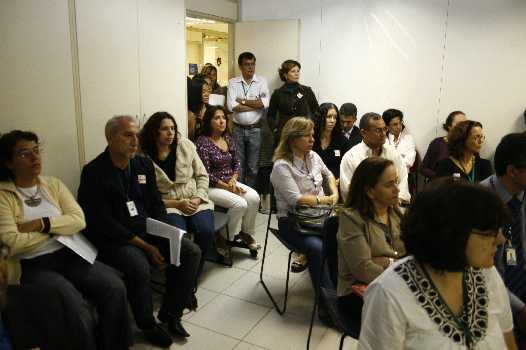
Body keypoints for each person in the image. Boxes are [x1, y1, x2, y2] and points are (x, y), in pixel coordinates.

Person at [0, 130, 132, 350]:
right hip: (33, 265)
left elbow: (79, 220)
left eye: (36, 151)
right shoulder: (3, 195)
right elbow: (12, 242)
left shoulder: (53, 184)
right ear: (8, 162)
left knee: (114, 286)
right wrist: (58, 228)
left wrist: (42, 224)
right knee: (73, 305)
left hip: (70, 253)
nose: (35, 158)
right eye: (24, 154)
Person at [78, 116, 201, 348]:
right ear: (110, 138)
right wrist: (145, 245)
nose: (135, 141)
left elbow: (155, 204)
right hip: (115, 239)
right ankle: (147, 323)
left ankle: (170, 313)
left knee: (190, 251)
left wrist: (168, 232)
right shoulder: (94, 172)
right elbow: (101, 222)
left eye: (136, 135)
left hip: (146, 228)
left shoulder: (142, 165)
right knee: (138, 265)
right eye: (127, 135)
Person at [359, 180, 517, 350]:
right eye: (489, 233)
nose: (500, 239)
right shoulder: (389, 293)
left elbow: (509, 342)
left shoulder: (486, 274)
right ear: (452, 235)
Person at [139, 111, 214, 277]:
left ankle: (191, 281)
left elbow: (202, 175)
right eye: (165, 129)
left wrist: (197, 198)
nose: (170, 133)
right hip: (168, 205)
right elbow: (146, 197)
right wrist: (177, 204)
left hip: (195, 199)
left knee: (206, 231)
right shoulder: (142, 157)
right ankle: (178, 280)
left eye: (173, 128)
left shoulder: (185, 145)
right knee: (179, 240)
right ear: (154, 132)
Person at [270, 117, 338, 296]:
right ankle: (328, 303)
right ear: (292, 139)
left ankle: (341, 291)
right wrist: (327, 200)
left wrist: (335, 193)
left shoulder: (313, 156)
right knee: (318, 248)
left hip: (320, 216)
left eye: (313, 135)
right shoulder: (281, 166)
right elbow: (296, 200)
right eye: (307, 136)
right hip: (294, 222)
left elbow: (329, 174)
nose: (312, 139)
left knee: (344, 237)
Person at [337, 157, 405, 316]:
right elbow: (363, 269)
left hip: (391, 287)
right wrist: (401, 271)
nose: (397, 189)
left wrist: (384, 261)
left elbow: (414, 254)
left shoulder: (396, 212)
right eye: (389, 185)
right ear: (370, 191)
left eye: (396, 182)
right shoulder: (351, 218)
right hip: (356, 294)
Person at [195, 105, 260, 254]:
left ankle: (245, 232)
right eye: (217, 118)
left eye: (224, 117)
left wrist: (233, 179)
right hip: (211, 186)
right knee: (240, 204)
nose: (221, 121)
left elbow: (237, 162)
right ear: (208, 121)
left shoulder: (228, 138)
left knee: (254, 198)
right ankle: (223, 238)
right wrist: (226, 186)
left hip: (230, 182)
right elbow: (206, 174)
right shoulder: (202, 143)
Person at [481, 133, 526, 336]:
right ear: (512, 171)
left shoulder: (521, 193)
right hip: (491, 303)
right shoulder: (478, 202)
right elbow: (482, 276)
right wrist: (519, 308)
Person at [339, 112, 410, 204]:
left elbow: (403, 179)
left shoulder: (393, 153)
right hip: (362, 210)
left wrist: (397, 201)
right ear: (363, 133)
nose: (383, 134)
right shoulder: (351, 157)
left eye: (384, 129)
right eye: (378, 130)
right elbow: (348, 191)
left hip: (392, 207)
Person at [226, 52, 270, 188]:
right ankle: (240, 196)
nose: (250, 68)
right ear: (240, 66)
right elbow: (231, 106)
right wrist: (254, 105)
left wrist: (243, 101)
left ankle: (250, 196)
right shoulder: (233, 83)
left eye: (252, 64)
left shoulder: (261, 82)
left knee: (253, 167)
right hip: (237, 129)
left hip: (255, 129)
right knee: (239, 166)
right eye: (247, 64)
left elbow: (265, 104)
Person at [267, 59, 320, 144]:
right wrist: (275, 130)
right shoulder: (277, 93)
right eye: (293, 71)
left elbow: (317, 112)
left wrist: (310, 126)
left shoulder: (306, 91)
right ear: (285, 74)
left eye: (298, 71)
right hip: (284, 134)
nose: (297, 73)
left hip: (302, 133)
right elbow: (270, 116)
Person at [420, 110, 466, 180]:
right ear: (449, 126)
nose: (463, 128)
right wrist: (441, 177)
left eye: (465, 124)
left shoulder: (468, 145)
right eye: (460, 124)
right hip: (439, 185)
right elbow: (423, 168)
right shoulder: (437, 143)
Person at [313, 102, 351, 180]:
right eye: (329, 117)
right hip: (313, 181)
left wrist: (340, 180)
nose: (332, 121)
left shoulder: (342, 141)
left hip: (336, 181)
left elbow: (347, 167)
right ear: (321, 117)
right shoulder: (311, 138)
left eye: (335, 117)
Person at [188, 74, 212, 140]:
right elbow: (190, 139)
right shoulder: (190, 114)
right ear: (196, 93)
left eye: (208, 90)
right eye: (203, 91)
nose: (207, 94)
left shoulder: (211, 110)